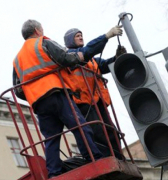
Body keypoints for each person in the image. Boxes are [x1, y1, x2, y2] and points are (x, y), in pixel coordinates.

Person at [12, 19, 103, 178]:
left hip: (39, 102)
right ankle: (94, 158)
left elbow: (18, 90)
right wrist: (80, 56)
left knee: (51, 138)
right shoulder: (43, 43)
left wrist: (34, 92)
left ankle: (54, 174)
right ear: (36, 30)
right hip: (55, 93)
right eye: (41, 28)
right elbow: (66, 58)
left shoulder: (17, 59)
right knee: (80, 126)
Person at [63, 26, 127, 159]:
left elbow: (104, 65)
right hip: (84, 103)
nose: (81, 37)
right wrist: (106, 36)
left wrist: (117, 58)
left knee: (111, 131)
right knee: (97, 132)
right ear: (70, 41)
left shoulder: (92, 60)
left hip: (98, 101)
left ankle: (118, 157)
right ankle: (106, 159)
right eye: (77, 36)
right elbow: (88, 51)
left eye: (81, 35)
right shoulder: (69, 57)